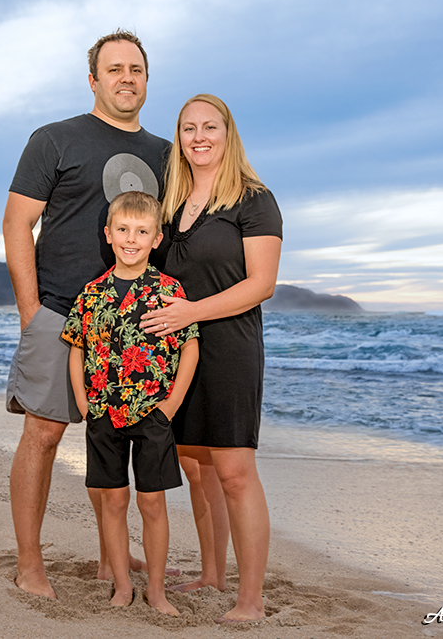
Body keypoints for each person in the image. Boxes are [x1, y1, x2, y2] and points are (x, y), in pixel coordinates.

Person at [2, 29, 171, 599]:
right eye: (115, 68)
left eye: (137, 70)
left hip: (132, 326)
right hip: (58, 311)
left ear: (147, 79)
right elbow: (16, 224)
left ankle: (111, 560)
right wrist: (32, 312)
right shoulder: (53, 140)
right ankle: (30, 565)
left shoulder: (164, 155)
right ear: (93, 78)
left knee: (116, 435)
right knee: (44, 433)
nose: (127, 78)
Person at [140, 93, 282, 623]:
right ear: (179, 138)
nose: (199, 137)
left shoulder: (254, 199)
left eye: (209, 127)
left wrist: (190, 312)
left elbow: (261, 284)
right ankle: (212, 573)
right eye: (188, 128)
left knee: (234, 470)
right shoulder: (172, 203)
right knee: (194, 467)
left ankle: (251, 599)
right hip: (177, 350)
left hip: (228, 348)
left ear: (228, 133)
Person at [61, 191, 199, 615]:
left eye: (142, 231)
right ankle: (122, 585)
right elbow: (77, 348)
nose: (131, 239)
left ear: (157, 238)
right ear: (109, 233)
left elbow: (190, 347)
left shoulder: (168, 290)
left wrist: (171, 406)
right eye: (123, 230)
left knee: (152, 502)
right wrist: (85, 404)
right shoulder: (91, 293)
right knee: (113, 500)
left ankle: (156, 590)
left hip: (153, 412)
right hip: (103, 412)